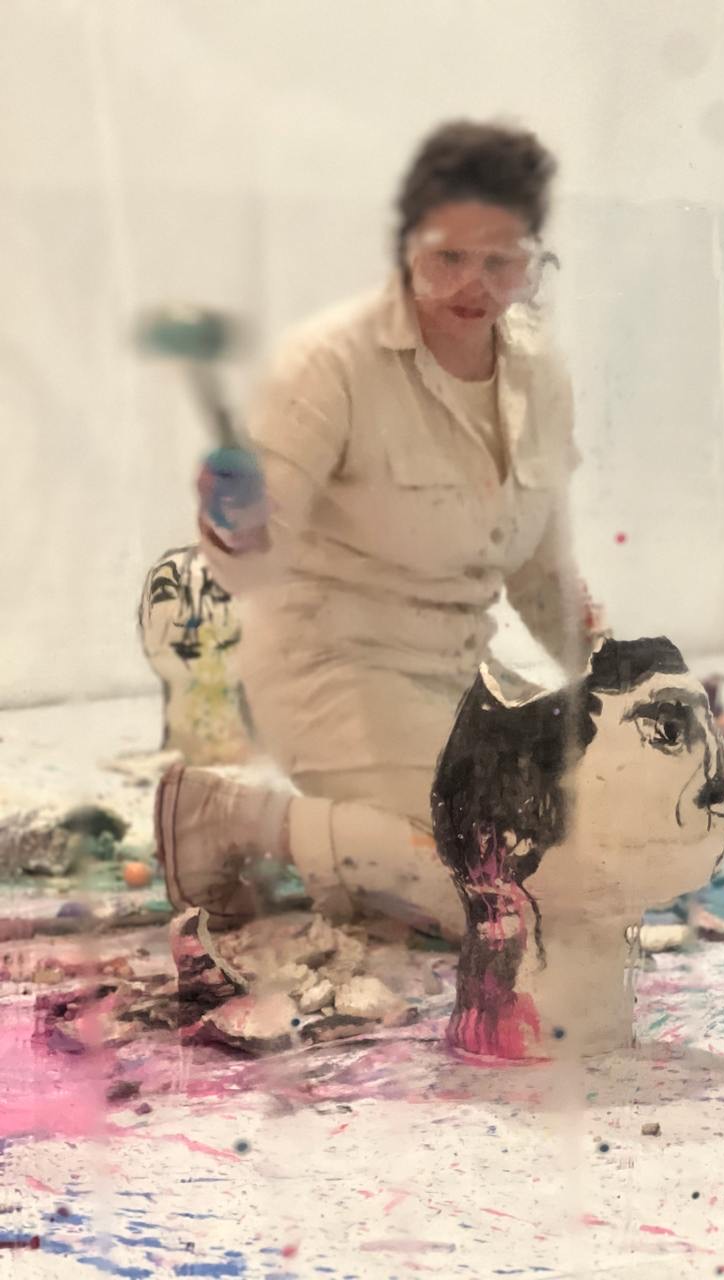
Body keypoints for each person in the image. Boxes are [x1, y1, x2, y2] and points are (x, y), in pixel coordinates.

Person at [155, 119, 602, 937]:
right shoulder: (329, 362)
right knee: (496, 899)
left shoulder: (539, 371)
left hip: (462, 679)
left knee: (589, 845)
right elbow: (251, 569)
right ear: (405, 246)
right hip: (333, 670)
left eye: (502, 260)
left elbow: (539, 571)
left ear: (533, 256)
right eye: (447, 257)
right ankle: (230, 819)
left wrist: (614, 684)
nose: (474, 283)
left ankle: (358, 850)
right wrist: (238, 523)